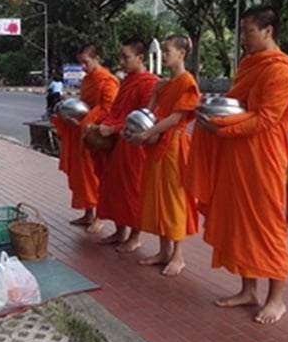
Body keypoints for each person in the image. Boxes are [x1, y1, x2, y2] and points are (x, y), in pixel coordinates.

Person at [194, 5, 288, 324]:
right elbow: (235, 103)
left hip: (265, 157)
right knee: (239, 223)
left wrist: (222, 128)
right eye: (243, 31)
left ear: (268, 31)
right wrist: (213, 115)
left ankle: (276, 299)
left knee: (268, 225)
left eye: (249, 31)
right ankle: (248, 290)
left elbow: (267, 119)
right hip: (237, 155)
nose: (244, 37)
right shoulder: (249, 64)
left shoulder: (280, 69)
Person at [126, 35, 200, 277]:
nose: (164, 54)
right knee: (156, 197)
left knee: (174, 199)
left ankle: (178, 255)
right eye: (164, 51)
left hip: (175, 147)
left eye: (168, 51)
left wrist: (148, 133)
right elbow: (150, 112)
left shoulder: (187, 82)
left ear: (181, 53)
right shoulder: (163, 85)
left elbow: (176, 118)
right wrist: (137, 128)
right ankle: (163, 250)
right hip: (157, 145)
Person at [94, 39, 159, 250]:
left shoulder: (149, 83)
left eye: (126, 57)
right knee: (115, 189)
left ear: (140, 58)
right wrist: (103, 125)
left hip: (134, 145)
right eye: (121, 57)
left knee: (133, 191)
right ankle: (120, 230)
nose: (121, 62)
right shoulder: (127, 81)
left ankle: (135, 236)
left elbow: (145, 117)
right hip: (118, 145)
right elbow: (117, 111)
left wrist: (112, 128)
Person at [52, 44, 119, 233]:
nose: (83, 66)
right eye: (80, 62)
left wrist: (85, 124)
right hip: (81, 130)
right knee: (81, 176)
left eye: (86, 62)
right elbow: (84, 104)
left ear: (97, 59)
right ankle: (88, 213)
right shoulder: (88, 79)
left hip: (95, 134)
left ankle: (100, 217)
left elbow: (106, 108)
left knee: (94, 176)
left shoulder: (108, 80)